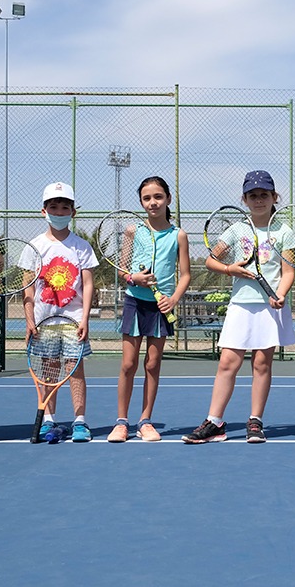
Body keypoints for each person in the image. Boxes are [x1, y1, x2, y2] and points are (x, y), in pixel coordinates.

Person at [183, 171, 295, 444]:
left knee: (261, 364)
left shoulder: (284, 231)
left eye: (264, 194)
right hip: (240, 305)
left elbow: (288, 271)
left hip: (270, 307)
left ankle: (255, 421)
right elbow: (211, 261)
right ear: (244, 199)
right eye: (252, 195)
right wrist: (229, 269)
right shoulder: (236, 230)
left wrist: (280, 294)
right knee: (227, 363)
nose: (259, 200)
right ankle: (214, 422)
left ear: (274, 197)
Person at [108, 176, 191, 443]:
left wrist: (173, 299)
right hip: (135, 302)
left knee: (152, 364)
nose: (152, 202)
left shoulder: (178, 235)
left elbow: (186, 275)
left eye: (158, 197)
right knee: (128, 364)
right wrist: (134, 278)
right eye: (146, 198)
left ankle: (145, 421)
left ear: (168, 199)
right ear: (141, 202)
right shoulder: (133, 231)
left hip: (161, 307)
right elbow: (122, 270)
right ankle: (121, 422)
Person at [23, 182, 98, 442]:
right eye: (53, 207)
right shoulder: (34, 246)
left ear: (73, 212)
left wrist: (85, 318)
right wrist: (30, 320)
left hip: (73, 321)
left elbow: (88, 285)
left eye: (65, 207)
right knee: (49, 370)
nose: (59, 211)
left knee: (75, 370)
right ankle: (49, 420)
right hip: (44, 321)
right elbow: (27, 287)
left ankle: (80, 422)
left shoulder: (82, 247)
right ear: (43, 211)